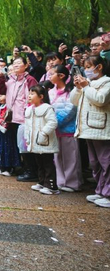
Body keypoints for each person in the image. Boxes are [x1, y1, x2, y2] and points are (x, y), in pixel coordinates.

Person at [72, 56, 110, 208]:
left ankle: (108, 194)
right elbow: (74, 101)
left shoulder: (107, 83)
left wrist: (86, 87)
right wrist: (78, 88)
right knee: (95, 163)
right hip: (88, 129)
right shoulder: (88, 83)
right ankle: (100, 191)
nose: (86, 70)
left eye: (89, 66)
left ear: (99, 67)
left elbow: (100, 100)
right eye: (85, 67)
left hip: (102, 130)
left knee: (106, 163)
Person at [0, 56, 39, 181]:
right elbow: (2, 91)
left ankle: (32, 171)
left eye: (19, 63)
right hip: (12, 117)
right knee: (18, 145)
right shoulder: (10, 79)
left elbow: (35, 97)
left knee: (26, 145)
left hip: (24, 117)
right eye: (14, 63)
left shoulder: (29, 79)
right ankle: (24, 168)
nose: (15, 65)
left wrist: (28, 111)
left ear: (26, 66)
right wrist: (0, 77)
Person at [47, 65, 82, 192]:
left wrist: (55, 122)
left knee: (70, 157)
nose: (49, 76)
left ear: (61, 76)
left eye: (52, 74)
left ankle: (73, 183)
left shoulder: (71, 91)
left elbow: (71, 109)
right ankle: (61, 181)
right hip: (55, 130)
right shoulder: (50, 92)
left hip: (68, 130)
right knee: (57, 157)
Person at [24, 85, 59, 194]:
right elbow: (27, 126)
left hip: (45, 141)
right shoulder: (29, 109)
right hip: (35, 142)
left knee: (48, 163)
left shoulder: (47, 108)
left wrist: (43, 133)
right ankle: (42, 182)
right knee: (39, 163)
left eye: (32, 94)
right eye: (29, 93)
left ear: (41, 96)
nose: (29, 96)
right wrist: (27, 138)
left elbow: (52, 122)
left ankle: (51, 186)